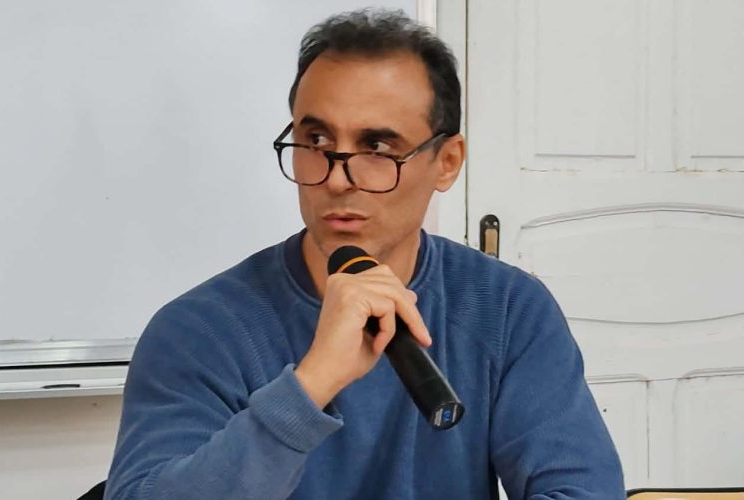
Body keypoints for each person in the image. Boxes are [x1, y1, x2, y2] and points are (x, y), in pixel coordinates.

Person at [105, 8, 624, 500]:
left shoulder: (508, 309)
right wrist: (310, 385)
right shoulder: (198, 330)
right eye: (316, 140)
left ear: (446, 162)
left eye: (377, 149)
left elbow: (582, 489)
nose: (336, 179)